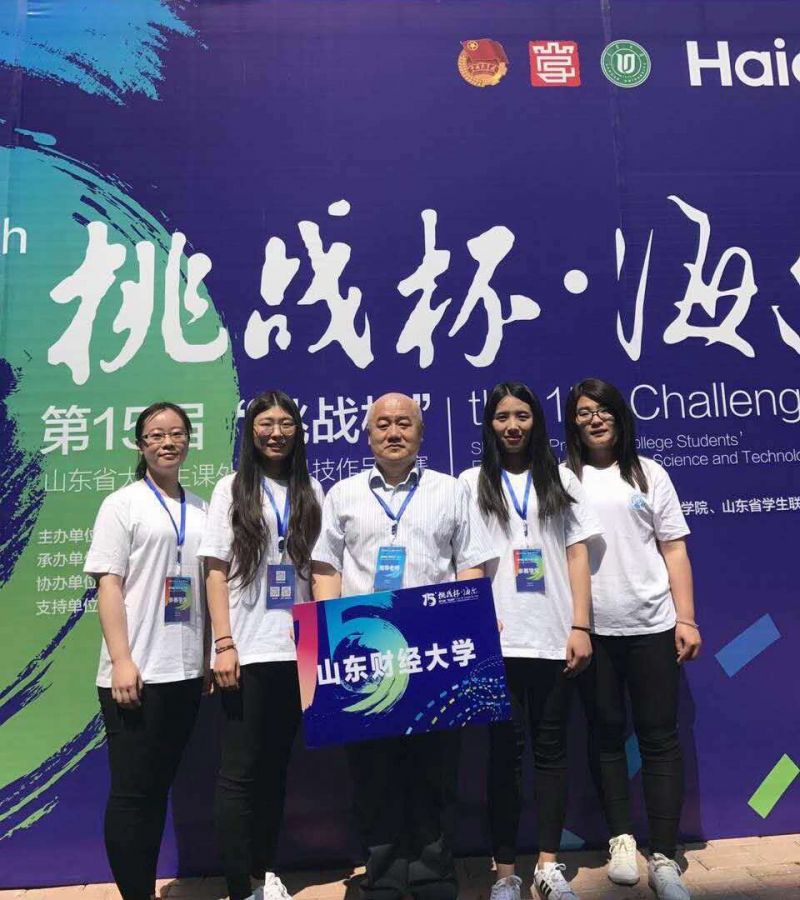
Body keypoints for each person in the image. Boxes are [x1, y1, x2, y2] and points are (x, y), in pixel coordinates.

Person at [311, 392, 495, 900]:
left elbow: (470, 563)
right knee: (373, 772)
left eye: (404, 424)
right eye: (384, 425)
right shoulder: (343, 494)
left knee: (436, 769)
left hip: (435, 653)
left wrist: (471, 620)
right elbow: (325, 567)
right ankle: (385, 873)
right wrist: (327, 633)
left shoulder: (450, 490)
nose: (394, 433)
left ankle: (433, 871)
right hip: (365, 653)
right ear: (368, 435)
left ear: (421, 432)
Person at [459, 382, 601, 900]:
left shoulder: (561, 478)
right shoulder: (471, 482)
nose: (512, 425)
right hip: (498, 643)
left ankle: (547, 864)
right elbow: (468, 561)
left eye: (522, 415)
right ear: (489, 425)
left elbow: (577, 554)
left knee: (551, 750)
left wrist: (580, 626)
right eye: (502, 417)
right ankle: (505, 874)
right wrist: (477, 621)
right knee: (503, 756)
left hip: (552, 636)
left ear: (536, 421)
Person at [564, 378, 701, 900]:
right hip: (592, 630)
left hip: (652, 625)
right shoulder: (563, 478)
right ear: (573, 423)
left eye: (603, 410)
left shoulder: (649, 473)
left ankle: (664, 854)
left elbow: (674, 549)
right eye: (583, 412)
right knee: (605, 736)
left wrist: (686, 619)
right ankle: (620, 839)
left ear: (620, 416)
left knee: (660, 738)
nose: (594, 419)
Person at [199, 390, 323, 900]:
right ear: (250, 432)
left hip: (296, 651)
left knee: (276, 769)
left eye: (285, 423)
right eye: (265, 424)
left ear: (298, 431)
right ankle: (238, 886)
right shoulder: (231, 488)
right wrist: (223, 643)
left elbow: (319, 571)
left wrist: (319, 646)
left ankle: (265, 872)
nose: (276, 433)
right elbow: (215, 570)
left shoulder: (311, 488)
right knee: (239, 773)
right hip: (247, 651)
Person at [85, 402, 207, 900]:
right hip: (136, 673)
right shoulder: (122, 504)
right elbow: (108, 585)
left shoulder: (200, 507)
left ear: (188, 441)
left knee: (156, 790)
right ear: (140, 445)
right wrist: (122, 660)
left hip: (185, 671)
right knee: (133, 793)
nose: (167, 442)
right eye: (156, 435)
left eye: (176, 433)